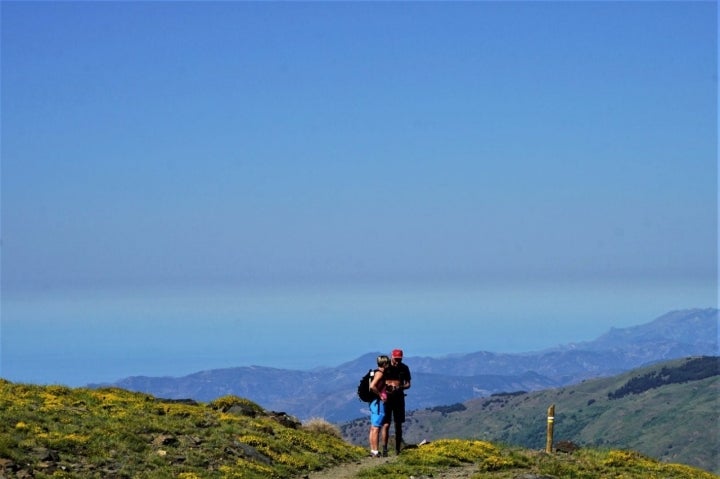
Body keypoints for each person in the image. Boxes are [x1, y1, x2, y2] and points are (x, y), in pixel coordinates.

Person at [381, 348, 412, 456]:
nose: (397, 361)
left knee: (398, 424)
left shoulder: (404, 368)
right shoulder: (385, 367)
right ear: (391, 357)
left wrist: (400, 387)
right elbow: (379, 380)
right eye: (396, 359)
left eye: (399, 359)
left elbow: (408, 384)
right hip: (387, 398)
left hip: (399, 398)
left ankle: (397, 450)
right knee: (386, 424)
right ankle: (384, 449)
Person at [368, 355, 390, 458]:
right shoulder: (380, 374)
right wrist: (381, 395)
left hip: (373, 402)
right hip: (378, 403)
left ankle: (373, 450)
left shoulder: (375, 372)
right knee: (376, 427)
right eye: (388, 363)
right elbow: (372, 386)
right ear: (384, 364)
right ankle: (376, 451)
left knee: (373, 427)